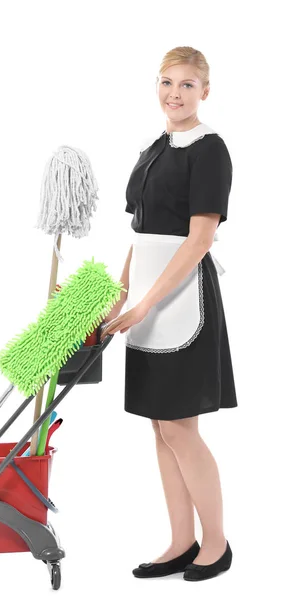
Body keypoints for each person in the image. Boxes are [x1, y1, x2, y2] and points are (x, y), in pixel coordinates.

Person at [101, 46, 237, 582]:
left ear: (205, 91)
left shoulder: (210, 150)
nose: (174, 94)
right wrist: (119, 294)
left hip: (183, 302)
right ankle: (181, 541)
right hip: (146, 303)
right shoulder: (155, 146)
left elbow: (199, 238)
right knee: (161, 427)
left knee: (182, 429)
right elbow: (142, 233)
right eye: (166, 82)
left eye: (186, 84)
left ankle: (217, 543)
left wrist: (146, 303)